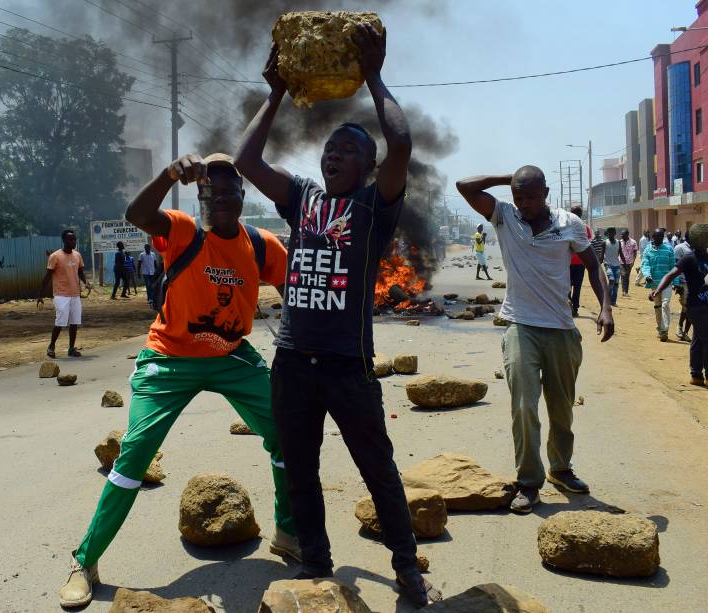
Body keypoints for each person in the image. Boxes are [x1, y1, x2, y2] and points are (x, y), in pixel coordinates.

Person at [234, 26, 442, 607]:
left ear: (367, 165)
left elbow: (401, 144)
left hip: (348, 366)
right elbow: (247, 158)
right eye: (329, 148)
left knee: (379, 471)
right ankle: (318, 563)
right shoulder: (302, 197)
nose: (333, 155)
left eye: (346, 149)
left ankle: (406, 567)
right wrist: (274, 92)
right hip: (294, 361)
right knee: (301, 472)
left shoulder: (376, 206)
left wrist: (373, 75)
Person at [57, 153, 297, 608]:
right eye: (211, 192)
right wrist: (169, 174)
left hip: (231, 357)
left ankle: (287, 532)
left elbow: (295, 292)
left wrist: (299, 345)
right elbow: (137, 215)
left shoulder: (262, 245)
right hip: (169, 360)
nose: (220, 199)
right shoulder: (183, 231)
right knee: (134, 456)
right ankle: (84, 561)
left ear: (242, 197)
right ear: (200, 198)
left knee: (285, 434)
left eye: (229, 191)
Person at [456, 166, 614, 514]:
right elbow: (464, 184)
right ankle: (529, 481)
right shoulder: (504, 216)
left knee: (561, 407)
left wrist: (606, 307)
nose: (522, 203)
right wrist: (505, 178)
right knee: (524, 404)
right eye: (517, 197)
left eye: (528, 196)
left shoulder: (568, 223)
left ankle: (561, 469)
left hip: (560, 329)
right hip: (520, 326)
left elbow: (592, 265)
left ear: (545, 192)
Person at [651, 224, 708, 386]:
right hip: (696, 306)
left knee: (698, 339)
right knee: (706, 339)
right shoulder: (689, 258)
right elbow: (671, 275)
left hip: (703, 305)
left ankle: (696, 375)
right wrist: (657, 290)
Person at [37, 229, 91, 359]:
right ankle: (51, 346)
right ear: (64, 240)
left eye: (74, 239)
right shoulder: (55, 256)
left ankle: (71, 348)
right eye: (70, 239)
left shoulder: (77, 255)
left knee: (74, 322)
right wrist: (40, 294)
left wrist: (86, 282)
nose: (73, 241)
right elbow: (47, 276)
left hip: (75, 294)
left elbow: (80, 272)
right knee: (60, 322)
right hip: (61, 295)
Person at [641, 228, 679, 342]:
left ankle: (664, 330)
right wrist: (647, 275)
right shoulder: (647, 250)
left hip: (667, 283)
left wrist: (676, 283)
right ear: (653, 237)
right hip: (654, 284)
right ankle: (660, 328)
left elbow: (674, 267)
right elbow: (645, 264)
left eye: (661, 237)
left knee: (665, 304)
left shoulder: (669, 249)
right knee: (657, 306)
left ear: (663, 238)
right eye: (656, 237)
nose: (659, 239)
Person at [568, 205, 593, 317]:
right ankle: (573, 308)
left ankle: (572, 308)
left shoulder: (567, 226)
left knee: (569, 286)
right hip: (575, 262)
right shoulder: (585, 227)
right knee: (574, 287)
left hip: (573, 262)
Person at [674, 233, 693, 342]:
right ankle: (681, 328)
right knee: (688, 307)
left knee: (690, 307)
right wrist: (676, 283)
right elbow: (675, 266)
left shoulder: (697, 248)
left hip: (694, 282)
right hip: (683, 282)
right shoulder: (679, 248)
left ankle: (684, 331)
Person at [602, 227, 622, 307]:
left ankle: (613, 301)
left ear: (615, 233)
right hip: (608, 264)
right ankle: (607, 298)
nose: (612, 234)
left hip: (617, 265)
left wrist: (625, 265)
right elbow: (601, 255)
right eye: (610, 232)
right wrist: (598, 265)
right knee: (611, 280)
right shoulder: (604, 243)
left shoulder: (618, 242)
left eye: (613, 232)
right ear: (608, 233)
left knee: (616, 284)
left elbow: (621, 253)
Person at [619, 229, 638, 297]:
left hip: (629, 262)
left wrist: (633, 261)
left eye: (623, 235)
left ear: (627, 234)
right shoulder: (619, 242)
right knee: (623, 275)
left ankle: (626, 291)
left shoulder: (633, 242)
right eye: (621, 235)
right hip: (621, 262)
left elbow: (635, 252)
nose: (621, 236)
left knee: (627, 276)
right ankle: (623, 291)